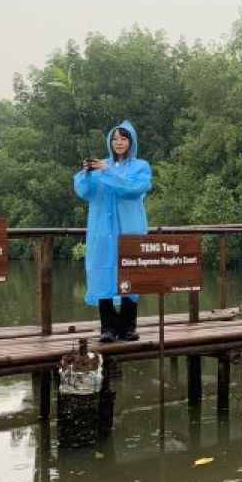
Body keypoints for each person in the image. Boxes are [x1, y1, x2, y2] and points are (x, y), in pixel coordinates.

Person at [74, 120, 152, 343]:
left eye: (123, 138)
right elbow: (83, 191)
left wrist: (107, 171)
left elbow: (134, 189)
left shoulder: (140, 166)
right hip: (102, 231)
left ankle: (128, 327)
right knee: (102, 272)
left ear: (131, 142)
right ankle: (107, 327)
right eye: (115, 138)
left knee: (129, 273)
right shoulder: (100, 166)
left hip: (130, 229)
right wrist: (88, 173)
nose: (118, 143)